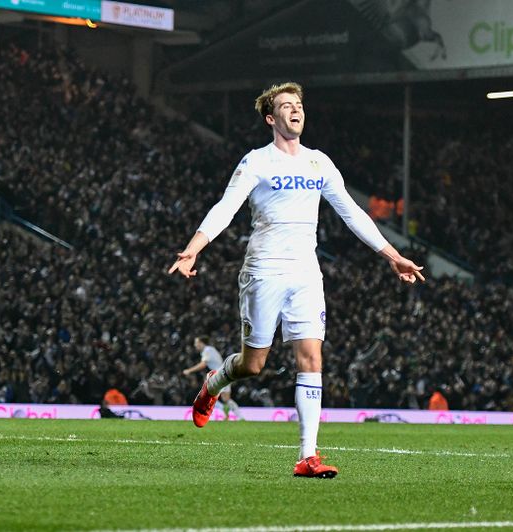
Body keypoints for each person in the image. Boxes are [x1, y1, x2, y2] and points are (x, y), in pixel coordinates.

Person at [168, 82, 425, 478]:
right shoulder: (256, 161)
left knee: (311, 358)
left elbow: (352, 213)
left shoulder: (319, 162)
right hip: (264, 270)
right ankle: (214, 383)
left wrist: (393, 256)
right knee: (253, 365)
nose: (296, 110)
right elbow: (226, 207)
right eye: (286, 105)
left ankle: (307, 456)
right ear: (271, 118)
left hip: (306, 272)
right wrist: (193, 248)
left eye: (299, 104)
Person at [181, 336, 244, 421]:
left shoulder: (207, 350)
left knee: (207, 397)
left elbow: (203, 364)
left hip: (220, 375)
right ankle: (239, 417)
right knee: (226, 399)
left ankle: (224, 410)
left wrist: (189, 370)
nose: (195, 345)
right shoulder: (210, 350)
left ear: (201, 343)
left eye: (196, 343)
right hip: (225, 373)